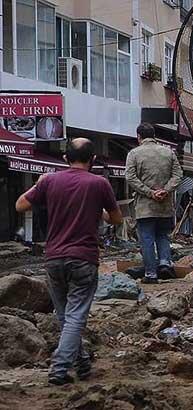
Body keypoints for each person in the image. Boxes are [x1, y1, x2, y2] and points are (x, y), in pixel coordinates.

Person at [15, 138, 123, 385]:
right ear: (93, 160)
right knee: (75, 317)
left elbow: (20, 205)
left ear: (65, 159)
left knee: (66, 317)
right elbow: (116, 219)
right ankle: (59, 368)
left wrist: (39, 183)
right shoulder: (100, 183)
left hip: (54, 258)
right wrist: (100, 211)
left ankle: (82, 363)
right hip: (84, 259)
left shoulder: (50, 180)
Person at [125, 122, 183, 284]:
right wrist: (165, 190)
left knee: (147, 238)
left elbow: (130, 178)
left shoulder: (134, 154)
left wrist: (149, 192)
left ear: (139, 137)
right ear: (154, 136)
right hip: (165, 204)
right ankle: (165, 263)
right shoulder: (168, 152)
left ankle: (151, 274)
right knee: (163, 235)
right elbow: (178, 175)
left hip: (145, 205)